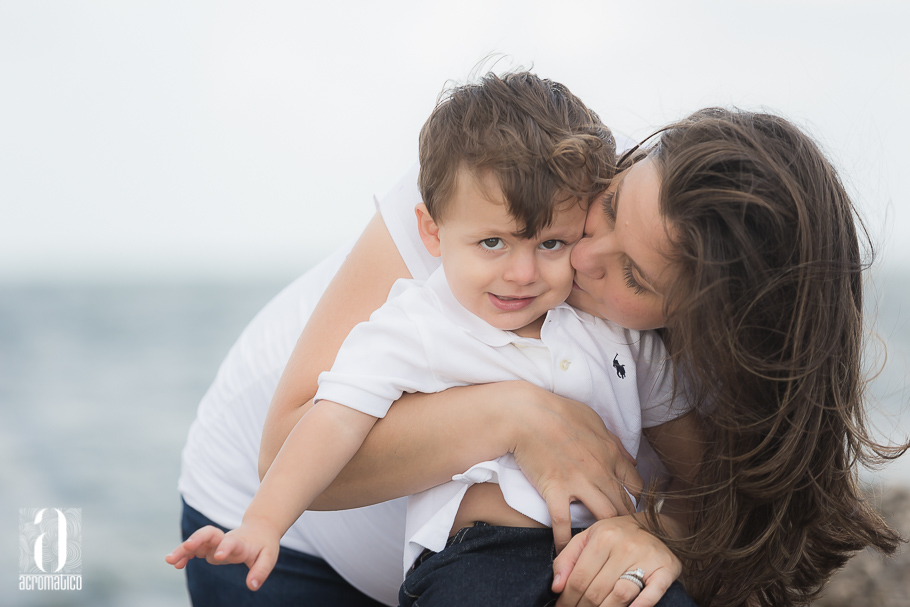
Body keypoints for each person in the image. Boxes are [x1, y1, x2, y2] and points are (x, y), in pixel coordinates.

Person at [171, 75, 906, 607]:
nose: (581, 255)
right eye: (612, 205)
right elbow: (291, 448)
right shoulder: (493, 191)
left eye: (635, 276)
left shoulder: (689, 355)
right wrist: (518, 416)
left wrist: (661, 536)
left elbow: (722, 506)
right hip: (273, 530)